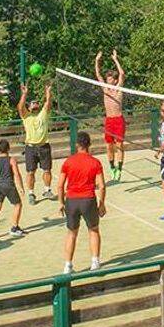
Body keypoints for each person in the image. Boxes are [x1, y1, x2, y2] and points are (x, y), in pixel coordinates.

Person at [57, 131, 107, 273]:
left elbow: (60, 185)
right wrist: (102, 203)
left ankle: (68, 265)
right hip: (88, 199)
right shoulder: (95, 162)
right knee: (94, 230)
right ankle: (95, 262)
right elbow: (102, 185)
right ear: (89, 144)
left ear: (77, 145)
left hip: (71, 200)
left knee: (71, 233)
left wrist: (61, 202)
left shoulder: (68, 162)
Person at [17, 83, 54, 205]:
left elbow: (48, 103)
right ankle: (31, 193)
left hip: (44, 146)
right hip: (31, 148)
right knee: (30, 172)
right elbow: (20, 107)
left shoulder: (43, 113)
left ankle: (47, 190)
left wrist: (48, 92)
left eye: (37, 102)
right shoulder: (26, 116)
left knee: (47, 170)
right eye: (33, 102)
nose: (35, 104)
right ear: (29, 106)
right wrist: (24, 94)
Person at [95, 49, 127, 182]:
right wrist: (97, 61)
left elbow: (122, 73)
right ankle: (112, 167)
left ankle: (119, 169)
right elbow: (98, 75)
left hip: (118, 120)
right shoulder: (105, 89)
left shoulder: (119, 89)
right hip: (109, 120)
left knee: (119, 146)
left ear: (114, 81)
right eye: (107, 79)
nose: (108, 80)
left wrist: (115, 59)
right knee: (108, 146)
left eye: (110, 79)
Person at [0, 139, 26, 239]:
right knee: (18, 205)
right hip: (9, 185)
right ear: (8, 148)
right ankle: (14, 228)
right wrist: (21, 187)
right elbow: (17, 174)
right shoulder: (11, 160)